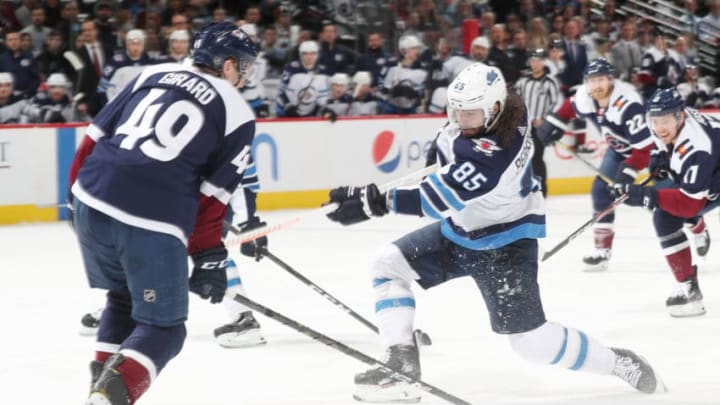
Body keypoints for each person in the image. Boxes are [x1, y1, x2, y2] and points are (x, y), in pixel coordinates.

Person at [325, 62, 664, 403]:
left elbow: (435, 199)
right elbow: (440, 168)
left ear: (495, 109)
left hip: (505, 247)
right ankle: (402, 363)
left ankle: (618, 362)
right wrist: (371, 195)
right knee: (388, 263)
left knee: (532, 345)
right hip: (461, 232)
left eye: (470, 114)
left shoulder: (496, 152)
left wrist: (373, 203)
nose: (461, 120)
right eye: (456, 111)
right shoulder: (484, 118)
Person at [68, 22, 259, 404]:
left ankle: (100, 389)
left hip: (89, 199)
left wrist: (78, 200)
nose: (243, 73)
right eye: (241, 65)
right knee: (165, 328)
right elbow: (213, 197)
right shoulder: (237, 110)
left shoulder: (151, 73)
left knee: (122, 300)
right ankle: (108, 399)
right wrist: (207, 256)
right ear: (225, 65)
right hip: (151, 219)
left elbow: (92, 140)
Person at [537, 58, 709, 271]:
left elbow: (645, 148)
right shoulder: (585, 95)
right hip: (619, 151)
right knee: (601, 190)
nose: (597, 85)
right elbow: (569, 106)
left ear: (611, 80)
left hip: (655, 152)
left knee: (665, 204)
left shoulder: (627, 104)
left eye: (601, 79)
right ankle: (602, 252)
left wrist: (626, 172)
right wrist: (553, 123)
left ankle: (697, 224)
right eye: (592, 80)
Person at [610, 88, 719, 317]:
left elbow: (688, 203)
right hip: (712, 170)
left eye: (665, 121)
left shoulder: (697, 145)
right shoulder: (668, 122)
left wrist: (646, 195)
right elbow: (659, 146)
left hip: (713, 171)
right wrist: (658, 160)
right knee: (670, 211)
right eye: (655, 121)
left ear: (679, 116)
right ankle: (688, 285)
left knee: (669, 214)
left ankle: (689, 290)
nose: (659, 127)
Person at [515, 48, 563, 196]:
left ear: (543, 62)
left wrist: (544, 119)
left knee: (537, 158)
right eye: (533, 60)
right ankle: (523, 188)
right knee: (521, 158)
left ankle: (541, 190)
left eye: (538, 60)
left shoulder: (551, 82)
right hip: (523, 127)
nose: (535, 63)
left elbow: (557, 102)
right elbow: (515, 101)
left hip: (540, 128)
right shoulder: (523, 82)